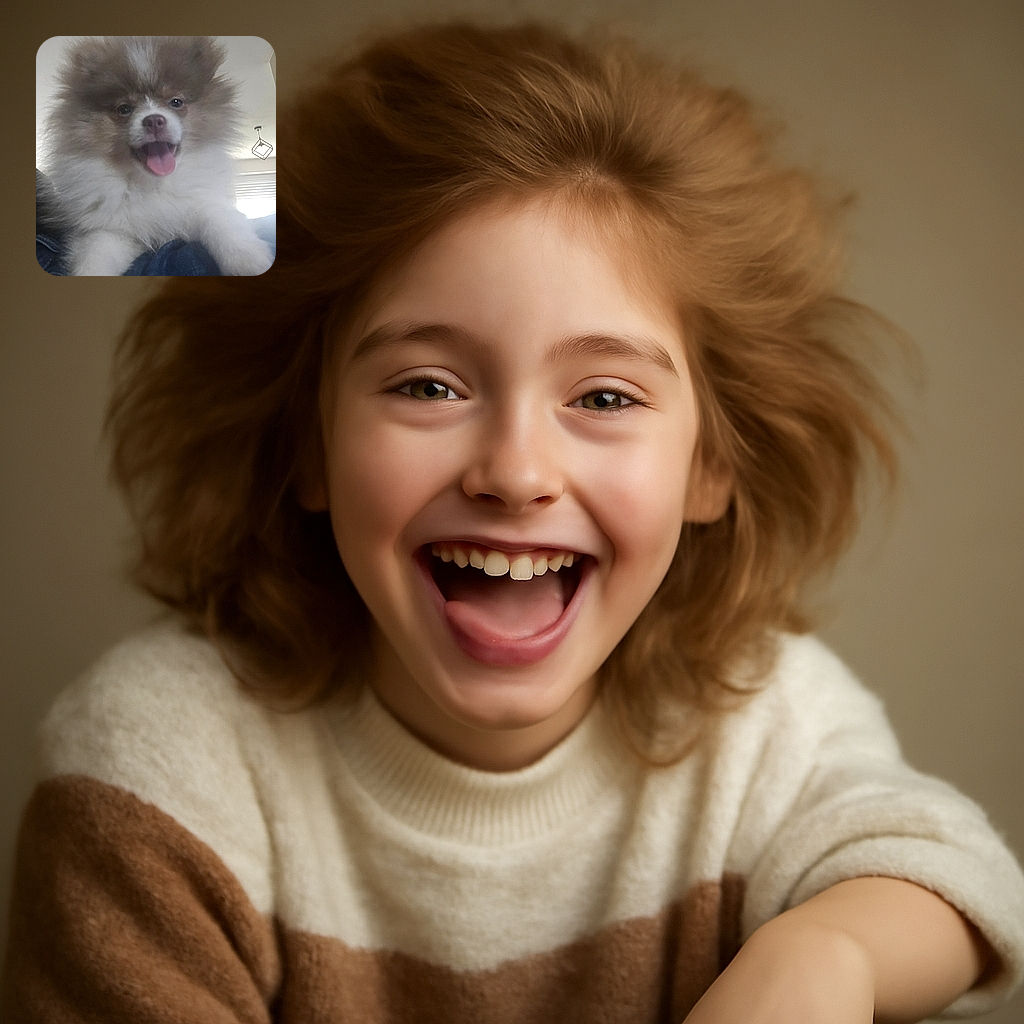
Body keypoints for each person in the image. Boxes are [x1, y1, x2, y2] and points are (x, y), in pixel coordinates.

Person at [4, 20, 1023, 1023]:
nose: (516, 471)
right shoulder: (159, 765)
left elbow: (953, 875)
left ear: (711, 464)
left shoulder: (759, 718)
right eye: (429, 384)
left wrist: (828, 950)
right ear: (306, 443)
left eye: (607, 398)